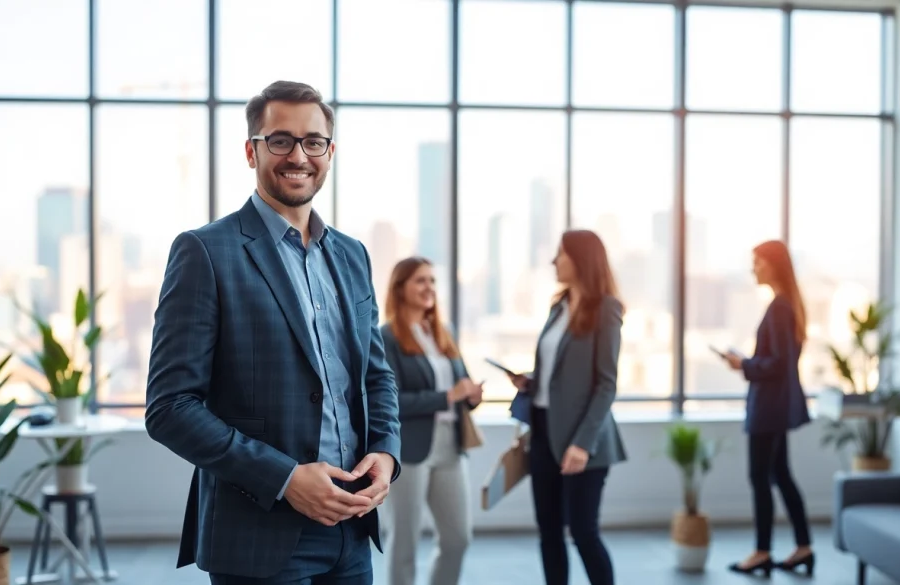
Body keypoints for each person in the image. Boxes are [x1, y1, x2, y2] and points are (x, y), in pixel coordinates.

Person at [144, 80, 402, 585]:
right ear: (251, 151)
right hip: (259, 535)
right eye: (280, 140)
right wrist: (284, 480)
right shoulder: (205, 252)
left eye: (313, 142)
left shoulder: (352, 255)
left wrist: (386, 452)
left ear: (330, 152)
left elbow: (377, 376)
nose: (298, 156)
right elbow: (170, 407)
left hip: (352, 528)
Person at [508, 229, 627, 585]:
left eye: (560, 254)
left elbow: (606, 383)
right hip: (544, 431)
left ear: (581, 259)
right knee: (549, 532)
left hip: (582, 439)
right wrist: (531, 380)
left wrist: (582, 444)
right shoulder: (558, 306)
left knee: (583, 532)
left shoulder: (607, 308)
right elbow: (558, 371)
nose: (553, 261)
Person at [379, 256, 483, 585]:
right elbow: (390, 400)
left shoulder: (443, 333)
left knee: (458, 539)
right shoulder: (387, 337)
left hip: (449, 447)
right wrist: (447, 397)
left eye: (433, 281)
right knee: (404, 542)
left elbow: (460, 382)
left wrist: (470, 396)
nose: (430, 288)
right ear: (400, 288)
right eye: (420, 281)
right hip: (409, 449)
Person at [723, 239, 814, 578]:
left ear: (773, 264)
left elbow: (776, 365)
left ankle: (762, 552)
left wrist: (743, 365)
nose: (753, 269)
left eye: (757, 262)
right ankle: (803, 546)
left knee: (760, 478)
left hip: (769, 408)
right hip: (778, 406)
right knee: (781, 476)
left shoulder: (780, 307)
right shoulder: (789, 305)